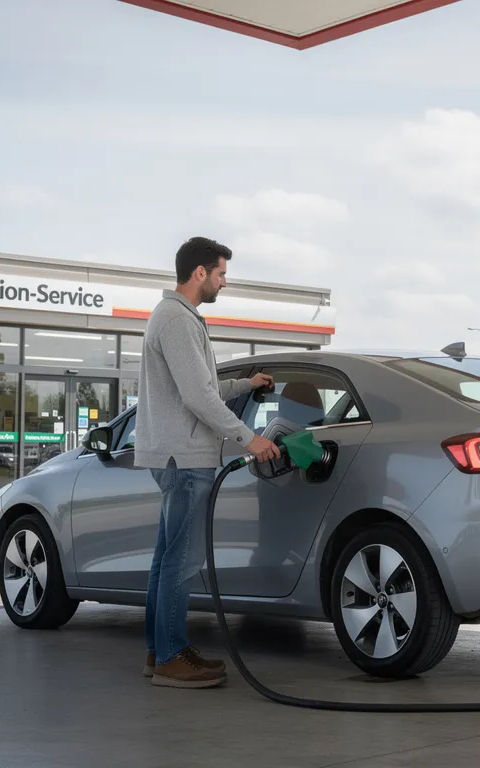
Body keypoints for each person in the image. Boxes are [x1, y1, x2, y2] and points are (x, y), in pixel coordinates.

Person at [134, 236, 281, 689]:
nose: (222, 283)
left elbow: (201, 385)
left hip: (178, 453)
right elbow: (198, 397)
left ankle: (162, 651)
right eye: (220, 274)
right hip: (186, 457)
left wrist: (245, 384)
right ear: (200, 272)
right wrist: (248, 438)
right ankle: (172, 657)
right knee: (182, 560)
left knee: (166, 559)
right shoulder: (177, 320)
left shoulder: (177, 318)